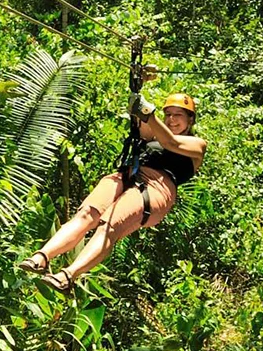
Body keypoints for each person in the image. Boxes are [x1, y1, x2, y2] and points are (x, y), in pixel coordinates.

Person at [17, 88, 207, 294]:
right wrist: (138, 88)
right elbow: (142, 124)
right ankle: (42, 257)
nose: (171, 119)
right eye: (168, 114)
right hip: (128, 175)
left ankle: (68, 276)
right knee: (86, 214)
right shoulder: (155, 133)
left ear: (190, 120)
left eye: (178, 115)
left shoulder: (197, 145)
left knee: (109, 225)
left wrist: (148, 113)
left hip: (155, 188)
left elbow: (171, 142)